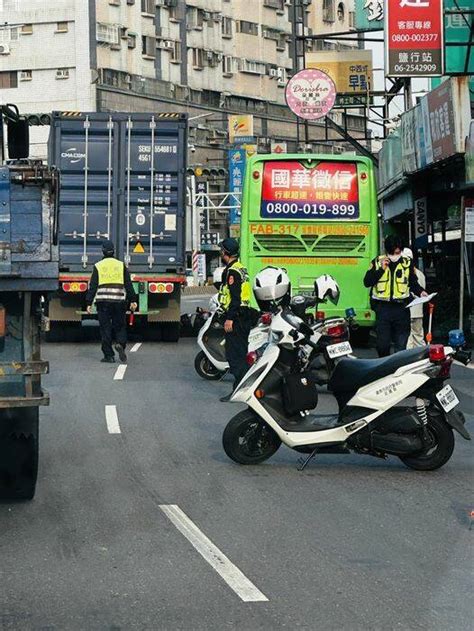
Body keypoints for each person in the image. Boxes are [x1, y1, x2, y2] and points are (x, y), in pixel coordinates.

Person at [364, 235, 427, 357]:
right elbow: (367, 282)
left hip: (401, 308)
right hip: (383, 308)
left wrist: (421, 292)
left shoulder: (407, 263)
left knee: (401, 344)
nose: (395, 255)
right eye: (393, 253)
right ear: (388, 251)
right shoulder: (377, 262)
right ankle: (384, 364)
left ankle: (397, 369)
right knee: (383, 344)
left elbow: (412, 282)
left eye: (398, 252)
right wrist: (381, 269)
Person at [86, 240, 138, 363]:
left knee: (105, 328)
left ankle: (108, 356)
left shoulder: (98, 266)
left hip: (103, 302)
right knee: (120, 326)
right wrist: (133, 300)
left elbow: (93, 286)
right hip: (119, 301)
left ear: (103, 251)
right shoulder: (121, 265)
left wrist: (88, 303)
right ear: (113, 251)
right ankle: (120, 344)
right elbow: (128, 284)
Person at [217, 238, 254, 402]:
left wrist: (230, 319)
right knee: (239, 353)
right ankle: (239, 390)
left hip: (237, 317)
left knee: (235, 356)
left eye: (221, 250)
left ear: (225, 253)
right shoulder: (240, 268)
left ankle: (240, 392)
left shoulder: (232, 272)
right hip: (243, 315)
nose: (220, 253)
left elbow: (235, 298)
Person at [403, 247, 427, 348]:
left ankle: (408, 358)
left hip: (406, 311)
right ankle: (422, 354)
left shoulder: (404, 274)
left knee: (407, 336)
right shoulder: (421, 274)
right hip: (418, 312)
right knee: (418, 336)